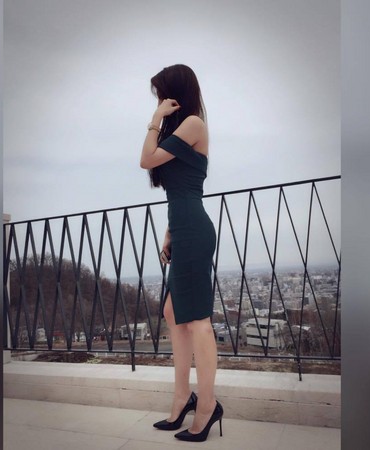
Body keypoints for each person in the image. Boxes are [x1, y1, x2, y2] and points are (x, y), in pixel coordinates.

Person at [139, 64, 223, 443]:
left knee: (198, 321)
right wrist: (170, 232)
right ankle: (181, 397)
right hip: (183, 227)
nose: (159, 99)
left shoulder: (192, 124)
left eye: (162, 93)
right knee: (174, 313)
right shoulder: (180, 132)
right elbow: (178, 190)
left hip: (195, 228)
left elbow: (146, 160)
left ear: (175, 92)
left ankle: (207, 405)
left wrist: (155, 119)